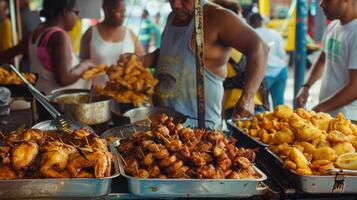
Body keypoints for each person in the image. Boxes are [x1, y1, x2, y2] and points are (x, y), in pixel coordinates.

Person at [134, 0, 268, 128]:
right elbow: (167, 53)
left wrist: (248, 97)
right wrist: (139, 61)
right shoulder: (172, 17)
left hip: (200, 131)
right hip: (163, 123)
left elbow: (260, 48)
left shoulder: (217, 17)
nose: (175, 4)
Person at [296, 0, 357, 122]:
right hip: (328, 115)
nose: (321, 4)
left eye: (327, 0)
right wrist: (306, 86)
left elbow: (355, 87)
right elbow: (323, 59)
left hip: (349, 120)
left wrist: (320, 108)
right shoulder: (332, 26)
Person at [212, 0, 270, 119]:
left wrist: (247, 98)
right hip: (253, 104)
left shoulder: (225, 47)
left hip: (239, 107)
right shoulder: (238, 45)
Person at [29, 0, 94, 95]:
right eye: (76, 12)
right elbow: (64, 78)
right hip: (59, 104)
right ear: (65, 12)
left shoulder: (36, 31)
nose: (77, 18)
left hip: (42, 98)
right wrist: (84, 65)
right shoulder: (59, 36)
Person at [80, 0, 144, 86]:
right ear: (106, 10)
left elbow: (142, 62)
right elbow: (83, 66)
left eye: (124, 11)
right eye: (119, 11)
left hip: (124, 94)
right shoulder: (91, 33)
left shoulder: (131, 34)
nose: (123, 15)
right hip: (97, 94)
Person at [248, 13, 288, 108]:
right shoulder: (275, 34)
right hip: (280, 71)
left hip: (262, 75)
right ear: (262, 22)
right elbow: (282, 54)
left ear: (250, 23)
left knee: (261, 106)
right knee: (279, 106)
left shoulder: (250, 35)